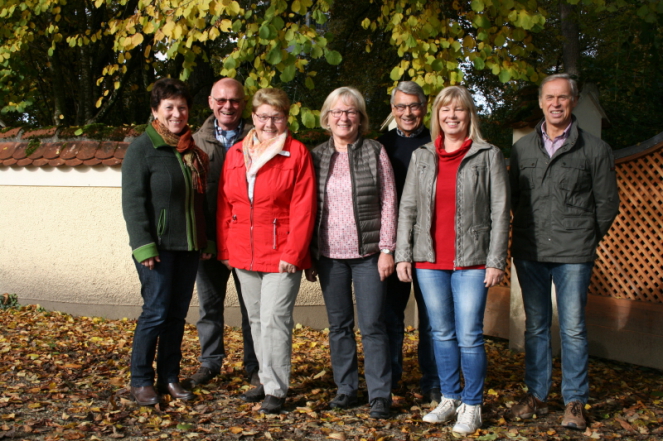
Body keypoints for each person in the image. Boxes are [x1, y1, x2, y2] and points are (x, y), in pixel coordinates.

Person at [507, 73, 620, 430]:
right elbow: (514, 198)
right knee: (536, 327)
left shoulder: (595, 149)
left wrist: (584, 238)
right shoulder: (522, 149)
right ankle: (536, 395)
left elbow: (607, 204)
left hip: (574, 254)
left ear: (573, 101)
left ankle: (574, 401)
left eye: (563, 97)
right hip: (530, 252)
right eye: (550, 97)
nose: (556, 103)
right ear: (541, 103)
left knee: (572, 328)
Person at [395, 85, 510, 435]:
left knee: (469, 335)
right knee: (441, 333)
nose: (452, 116)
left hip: (472, 260)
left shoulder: (487, 154)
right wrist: (403, 254)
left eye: (459, 109)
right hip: (429, 259)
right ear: (437, 116)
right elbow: (408, 207)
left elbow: (500, 210)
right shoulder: (423, 155)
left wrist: (496, 260)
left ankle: (472, 405)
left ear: (469, 114)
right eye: (445, 110)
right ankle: (450, 397)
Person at [217, 88, 316, 414]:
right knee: (257, 320)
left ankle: (275, 389)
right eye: (262, 116)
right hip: (243, 251)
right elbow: (225, 203)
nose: (269, 124)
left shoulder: (296, 153)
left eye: (276, 117)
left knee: (275, 320)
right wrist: (225, 247)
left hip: (281, 253)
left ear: (286, 117)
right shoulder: (236, 153)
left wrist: (294, 252)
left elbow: (304, 207)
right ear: (253, 117)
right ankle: (265, 377)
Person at [306, 86, 397, 419]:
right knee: (339, 326)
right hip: (329, 257)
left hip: (369, 256)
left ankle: (379, 394)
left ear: (360, 118)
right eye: (337, 112)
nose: (343, 118)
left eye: (350, 111)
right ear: (327, 118)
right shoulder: (316, 156)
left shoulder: (375, 151)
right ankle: (346, 389)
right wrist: (310, 253)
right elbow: (307, 207)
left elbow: (389, 201)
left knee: (373, 325)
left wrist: (387, 249)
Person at [122, 78, 214, 406]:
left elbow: (199, 201)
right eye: (170, 107)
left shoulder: (190, 150)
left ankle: (169, 377)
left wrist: (205, 240)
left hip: (188, 248)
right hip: (157, 249)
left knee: (176, 315)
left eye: (182, 107)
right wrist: (143, 245)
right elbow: (133, 203)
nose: (177, 113)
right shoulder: (142, 149)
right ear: (155, 111)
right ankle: (140, 380)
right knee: (156, 312)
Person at [186, 78, 259, 388]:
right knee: (209, 307)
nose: (228, 106)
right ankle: (210, 362)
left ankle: (254, 365)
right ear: (210, 102)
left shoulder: (260, 137)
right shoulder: (192, 141)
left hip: (248, 240)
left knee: (252, 309)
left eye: (235, 100)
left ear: (244, 103)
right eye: (221, 100)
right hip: (208, 241)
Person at [377, 81, 440, 403]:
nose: (407, 112)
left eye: (414, 105)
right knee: (390, 316)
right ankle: (390, 379)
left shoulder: (438, 142)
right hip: (391, 243)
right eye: (400, 106)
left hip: (431, 242)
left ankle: (432, 382)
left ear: (424, 107)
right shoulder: (381, 145)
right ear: (393, 109)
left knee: (432, 318)